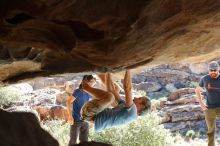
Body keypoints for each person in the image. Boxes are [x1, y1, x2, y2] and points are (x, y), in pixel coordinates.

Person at [81, 70, 151, 132]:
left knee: (110, 98)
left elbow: (128, 89)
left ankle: (86, 86)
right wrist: (108, 72)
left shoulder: (132, 113)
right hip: (92, 113)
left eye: (139, 98)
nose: (135, 97)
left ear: (141, 106)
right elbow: (112, 91)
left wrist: (128, 68)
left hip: (90, 114)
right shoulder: (125, 107)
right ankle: (86, 86)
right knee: (112, 95)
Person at [195, 61, 220, 146]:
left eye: (215, 70)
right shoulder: (205, 78)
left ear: (218, 69)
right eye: (211, 70)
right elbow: (197, 90)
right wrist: (201, 103)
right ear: (208, 70)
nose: (213, 72)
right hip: (209, 108)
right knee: (211, 131)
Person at [66, 75, 96, 145]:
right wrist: (70, 116)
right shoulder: (78, 91)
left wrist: (91, 120)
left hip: (86, 120)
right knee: (73, 142)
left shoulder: (91, 93)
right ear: (85, 82)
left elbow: (90, 107)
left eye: (94, 83)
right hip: (76, 120)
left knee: (84, 142)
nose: (92, 84)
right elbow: (68, 102)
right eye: (91, 82)